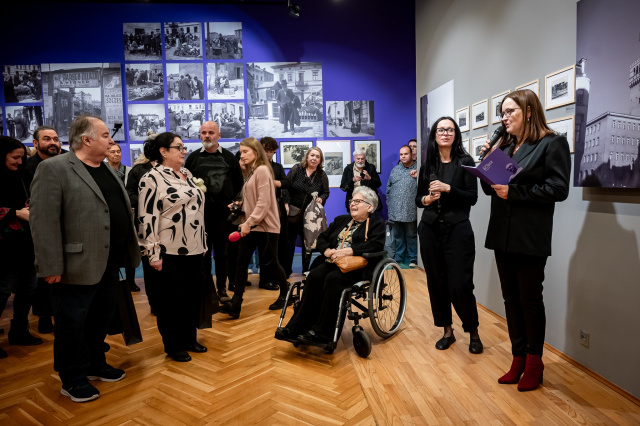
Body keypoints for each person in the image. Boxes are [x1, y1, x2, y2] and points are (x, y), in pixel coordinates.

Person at [30, 116, 141, 403]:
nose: (112, 141)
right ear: (87, 140)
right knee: (72, 323)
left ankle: (94, 363)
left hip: (108, 263)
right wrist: (50, 266)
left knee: (100, 318)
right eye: (105, 135)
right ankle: (72, 378)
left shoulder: (106, 169)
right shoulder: (53, 168)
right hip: (73, 265)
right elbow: (43, 221)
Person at [480, 89, 570, 392]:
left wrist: (515, 192)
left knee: (530, 301)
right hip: (502, 235)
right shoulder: (506, 146)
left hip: (529, 237)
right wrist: (488, 164)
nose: (504, 118)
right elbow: (491, 190)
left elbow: (558, 190)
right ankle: (517, 358)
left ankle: (534, 362)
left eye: (510, 112)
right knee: (510, 300)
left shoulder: (551, 143)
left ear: (528, 111)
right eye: (502, 113)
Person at [275, 186, 385, 346]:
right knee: (314, 276)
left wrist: (349, 251)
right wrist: (327, 251)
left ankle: (323, 334)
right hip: (332, 262)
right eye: (352, 201)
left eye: (358, 201)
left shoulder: (376, 223)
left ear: (370, 207)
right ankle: (295, 328)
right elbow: (322, 238)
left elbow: (376, 245)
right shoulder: (342, 220)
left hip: (357, 267)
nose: (353, 204)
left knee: (333, 280)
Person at [137, 132, 207, 362]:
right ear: (163, 151)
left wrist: (203, 240)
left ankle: (189, 338)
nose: (184, 151)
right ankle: (173, 344)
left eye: (184, 147)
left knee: (191, 297)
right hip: (168, 250)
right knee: (170, 300)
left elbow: (197, 210)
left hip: (194, 247)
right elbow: (147, 218)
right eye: (179, 147)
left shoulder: (187, 174)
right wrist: (153, 253)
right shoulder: (151, 178)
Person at [415, 117, 482, 354]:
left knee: (460, 284)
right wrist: (428, 199)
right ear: (434, 135)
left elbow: (472, 197)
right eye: (441, 129)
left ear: (456, 135)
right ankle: (447, 331)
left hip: (458, 230)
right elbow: (418, 199)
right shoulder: (428, 165)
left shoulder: (465, 162)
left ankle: (473, 331)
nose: (445, 133)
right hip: (430, 230)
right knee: (436, 282)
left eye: (450, 130)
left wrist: (448, 189)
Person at [219, 138, 291, 318]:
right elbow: (255, 199)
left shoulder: (262, 170)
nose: (241, 155)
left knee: (271, 262)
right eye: (241, 152)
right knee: (241, 263)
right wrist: (240, 204)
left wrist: (249, 223)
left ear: (256, 152)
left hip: (264, 226)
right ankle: (236, 303)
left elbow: (264, 202)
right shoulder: (252, 172)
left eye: (245, 152)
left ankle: (286, 294)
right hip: (251, 224)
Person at [185, 121, 243, 301]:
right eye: (203, 133)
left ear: (219, 135)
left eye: (211, 133)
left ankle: (222, 290)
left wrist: (235, 203)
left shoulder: (229, 158)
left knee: (222, 254)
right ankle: (205, 289)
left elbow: (239, 184)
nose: (207, 136)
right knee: (202, 253)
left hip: (223, 216)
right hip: (199, 215)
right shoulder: (193, 158)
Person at [0, 137, 43, 360]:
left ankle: (19, 330)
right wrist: (16, 213)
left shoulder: (23, 175)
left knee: (28, 287)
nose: (19, 161)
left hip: (26, 242)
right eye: (14, 157)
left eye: (22, 157)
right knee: (2, 289)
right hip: (3, 246)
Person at [24, 126, 63, 334]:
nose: (53, 143)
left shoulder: (68, 162)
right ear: (36, 143)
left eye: (56, 139)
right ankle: (44, 317)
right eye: (47, 139)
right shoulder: (27, 167)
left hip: (65, 227)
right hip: (36, 228)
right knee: (43, 276)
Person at [283, 147, 330, 276]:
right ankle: (286, 270)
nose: (314, 158)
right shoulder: (297, 169)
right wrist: (286, 203)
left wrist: (322, 198)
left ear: (320, 160)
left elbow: (326, 192)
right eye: (312, 155)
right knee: (289, 242)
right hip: (293, 212)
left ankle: (306, 269)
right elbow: (285, 186)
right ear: (307, 157)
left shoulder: (321, 175)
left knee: (308, 242)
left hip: (311, 214)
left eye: (317, 156)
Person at [258, 137, 290, 291]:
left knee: (277, 244)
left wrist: (273, 182)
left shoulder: (277, 166)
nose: (269, 154)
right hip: (261, 207)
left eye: (272, 151)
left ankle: (276, 277)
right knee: (265, 245)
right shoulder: (256, 166)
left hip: (276, 206)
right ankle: (264, 280)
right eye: (266, 150)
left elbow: (286, 183)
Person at [105, 143, 138, 292]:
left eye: (118, 151)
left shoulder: (129, 171)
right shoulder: (103, 171)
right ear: (106, 154)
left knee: (130, 249)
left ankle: (131, 281)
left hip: (130, 215)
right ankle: (113, 281)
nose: (116, 154)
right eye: (113, 152)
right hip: (111, 216)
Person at [387, 145, 418, 267]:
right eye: (401, 154)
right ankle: (399, 257)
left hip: (410, 210)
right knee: (398, 236)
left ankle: (413, 259)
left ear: (411, 155)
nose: (403, 156)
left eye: (406, 154)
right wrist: (389, 203)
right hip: (395, 210)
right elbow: (388, 187)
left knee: (411, 235)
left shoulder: (418, 169)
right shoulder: (395, 169)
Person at [340, 148, 381, 213]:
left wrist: (370, 178)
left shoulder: (371, 167)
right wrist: (352, 180)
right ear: (354, 158)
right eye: (358, 159)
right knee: (354, 222)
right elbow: (343, 187)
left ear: (365, 158)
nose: (360, 160)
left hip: (368, 203)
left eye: (362, 159)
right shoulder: (348, 169)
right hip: (353, 203)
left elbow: (378, 184)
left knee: (369, 223)